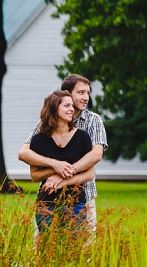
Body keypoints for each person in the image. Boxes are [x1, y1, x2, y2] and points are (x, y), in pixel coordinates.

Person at [17, 75, 106, 233]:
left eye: (87, 93)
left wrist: (63, 175)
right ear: (67, 93)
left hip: (82, 195)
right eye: (80, 92)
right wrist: (55, 165)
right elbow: (24, 153)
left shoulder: (93, 121)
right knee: (45, 248)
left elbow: (96, 155)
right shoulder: (45, 124)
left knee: (82, 249)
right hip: (49, 195)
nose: (86, 97)